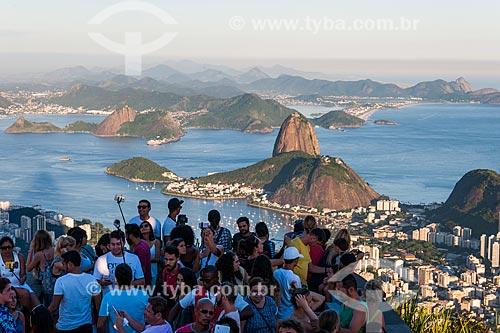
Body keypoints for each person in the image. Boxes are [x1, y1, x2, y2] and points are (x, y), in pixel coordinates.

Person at [168, 266, 253, 325]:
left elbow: (248, 311)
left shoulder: (228, 292)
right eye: (202, 280)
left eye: (207, 281)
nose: (204, 283)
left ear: (216, 279)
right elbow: (178, 307)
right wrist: (168, 325)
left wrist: (229, 319)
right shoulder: (196, 292)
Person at [48, 250, 102, 333]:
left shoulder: (61, 281)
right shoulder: (91, 279)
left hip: (66, 326)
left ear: (70, 264)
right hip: (86, 325)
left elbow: (54, 306)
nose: (63, 266)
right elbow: (98, 304)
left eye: (63, 264)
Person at [97, 263, 148, 333]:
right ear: (132, 278)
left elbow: (100, 325)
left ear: (116, 279)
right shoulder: (144, 295)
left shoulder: (108, 297)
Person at [0, 236, 39, 310]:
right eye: (4, 248)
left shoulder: (19, 257)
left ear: (13, 248)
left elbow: (23, 274)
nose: (7, 250)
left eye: (9, 247)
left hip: (20, 284)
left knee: (37, 304)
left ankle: (32, 316)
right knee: (25, 294)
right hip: (5, 286)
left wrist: (22, 278)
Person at [274, 247, 302, 319]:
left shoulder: (276, 273)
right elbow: (299, 298)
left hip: (278, 313)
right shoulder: (295, 278)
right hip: (290, 313)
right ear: (295, 260)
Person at [140, 221, 162, 286]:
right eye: (141, 226)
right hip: (142, 272)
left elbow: (157, 259)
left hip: (153, 271)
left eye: (146, 226)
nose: (143, 228)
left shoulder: (156, 242)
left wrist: (145, 260)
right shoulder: (138, 244)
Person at [162, 246, 182, 311]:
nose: (168, 263)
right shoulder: (165, 271)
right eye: (166, 259)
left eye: (171, 260)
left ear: (177, 259)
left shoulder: (182, 273)